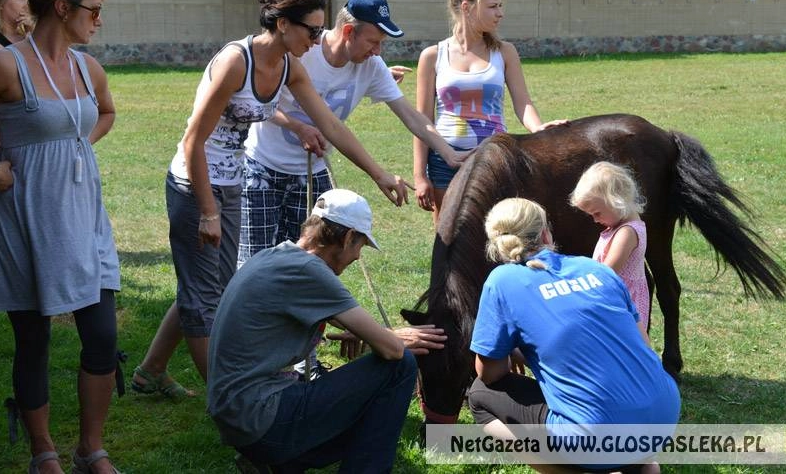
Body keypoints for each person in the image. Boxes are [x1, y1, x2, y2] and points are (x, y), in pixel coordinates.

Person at [131, 0, 412, 401]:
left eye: (321, 31)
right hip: (196, 183)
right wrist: (207, 209)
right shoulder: (235, 61)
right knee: (207, 295)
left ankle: (151, 371)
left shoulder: (289, 66)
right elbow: (193, 141)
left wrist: (378, 173)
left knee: (210, 285)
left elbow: (332, 127)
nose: (317, 40)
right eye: (311, 31)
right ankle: (228, 400)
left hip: (230, 181)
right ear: (282, 24)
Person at [208, 188, 447, 473]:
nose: (358, 257)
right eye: (360, 246)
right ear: (347, 238)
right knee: (400, 367)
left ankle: (281, 463)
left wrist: (369, 334)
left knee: (370, 407)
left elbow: (340, 319)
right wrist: (390, 338)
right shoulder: (309, 270)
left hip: (238, 417)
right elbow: (393, 350)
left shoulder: (276, 256)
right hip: (261, 419)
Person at [0, 0, 121, 474]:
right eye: (93, 8)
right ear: (64, 7)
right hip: (27, 215)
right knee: (33, 337)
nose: (99, 19)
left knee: (102, 335)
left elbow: (107, 111)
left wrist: (75, 143)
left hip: (83, 211)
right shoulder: (7, 63)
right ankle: (42, 451)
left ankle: (90, 448)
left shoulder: (87, 67)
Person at [238, 0, 468, 265]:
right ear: (348, 32)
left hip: (311, 174)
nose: (377, 51)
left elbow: (411, 115)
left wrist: (448, 152)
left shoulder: (371, 66)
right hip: (263, 168)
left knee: (303, 263)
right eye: (373, 41)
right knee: (254, 262)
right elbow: (258, 102)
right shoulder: (302, 51)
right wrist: (298, 127)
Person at [467, 198, 679, 473]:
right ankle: (641, 465)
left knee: (480, 395)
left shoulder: (502, 281)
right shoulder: (597, 269)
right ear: (546, 233)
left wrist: (518, 350)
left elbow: (490, 374)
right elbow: (642, 345)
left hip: (594, 436)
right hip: (663, 415)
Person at [412, 0, 567, 226]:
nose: (500, 13)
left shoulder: (505, 52)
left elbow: (523, 102)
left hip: (495, 157)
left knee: (497, 233)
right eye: (493, 6)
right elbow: (422, 121)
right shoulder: (432, 56)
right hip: (444, 162)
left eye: (501, 6)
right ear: (467, 7)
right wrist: (420, 176)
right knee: (448, 238)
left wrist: (538, 128)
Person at [570, 161, 651, 331]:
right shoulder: (617, 226)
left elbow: (607, 273)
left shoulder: (626, 233)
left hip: (622, 304)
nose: (595, 219)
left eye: (597, 213)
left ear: (617, 200)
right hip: (613, 298)